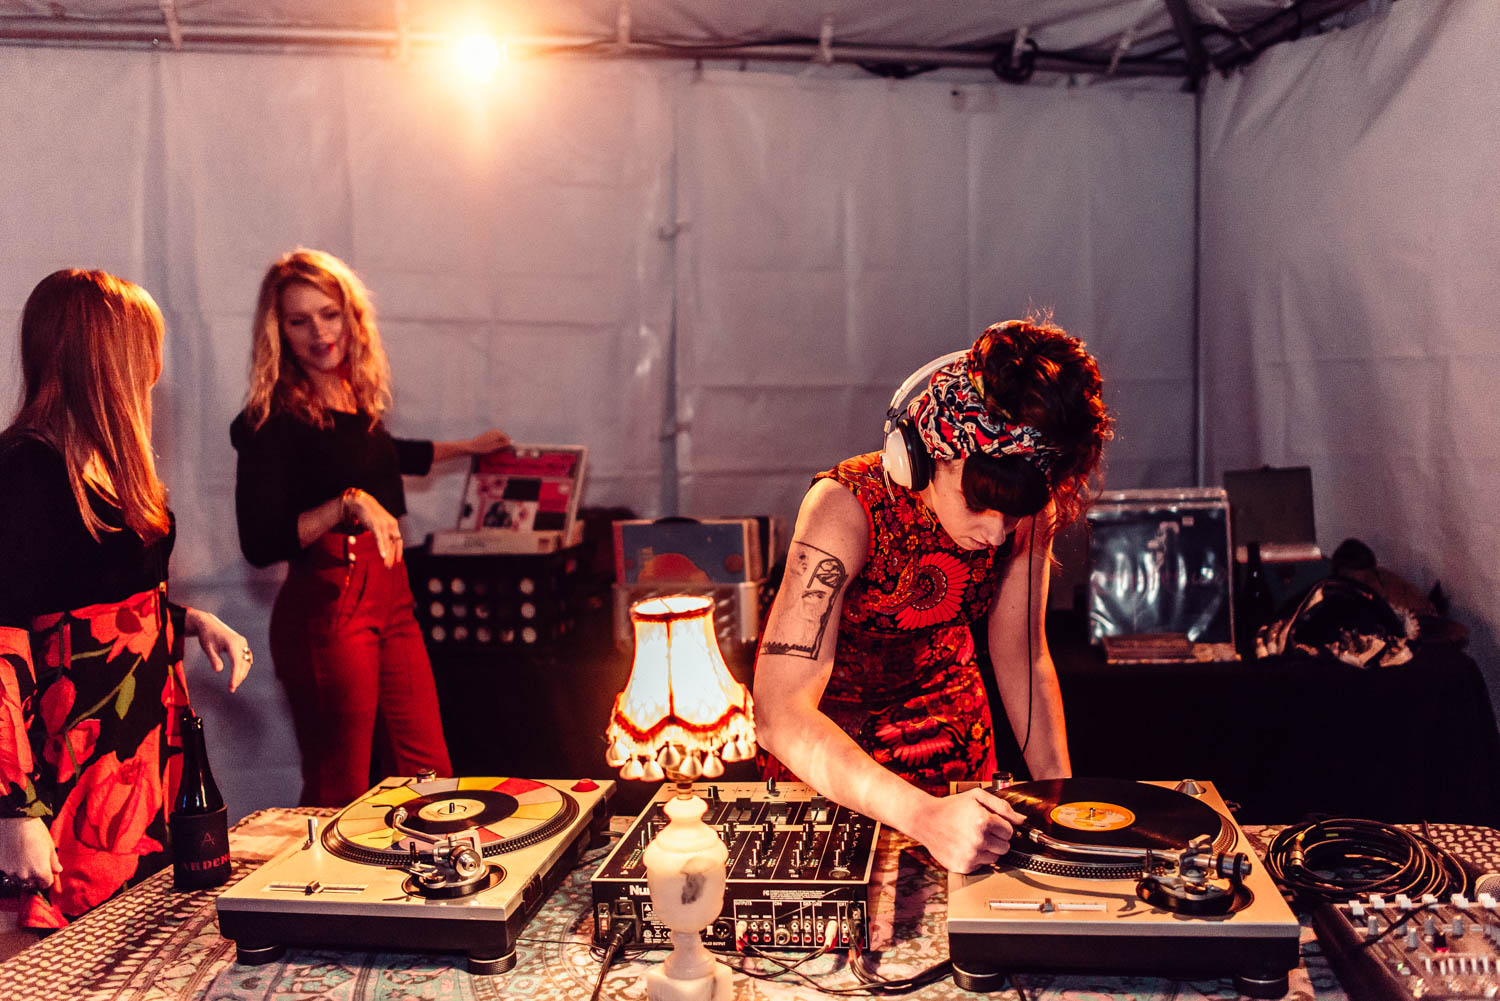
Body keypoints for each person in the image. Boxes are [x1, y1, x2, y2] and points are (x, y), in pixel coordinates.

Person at [753, 317, 1112, 874]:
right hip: (832, 760)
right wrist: (923, 816)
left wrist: (1063, 810)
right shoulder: (844, 507)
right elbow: (778, 712)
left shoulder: (1027, 510)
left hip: (953, 739)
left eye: (1011, 514)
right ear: (924, 459)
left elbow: (1022, 656)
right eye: (978, 504)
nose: (996, 534)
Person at [0, 270, 252, 934]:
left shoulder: (107, 463)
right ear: (102, 355)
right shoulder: (24, 469)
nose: (156, 366)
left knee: (152, 940)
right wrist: (15, 812)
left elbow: (94, 598)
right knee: (78, 951)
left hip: (145, 749)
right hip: (75, 768)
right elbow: (7, 642)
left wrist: (191, 621)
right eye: (145, 347)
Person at [230, 248, 509, 808]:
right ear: (278, 331)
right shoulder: (269, 421)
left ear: (352, 316)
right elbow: (260, 542)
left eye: (329, 314)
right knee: (342, 787)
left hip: (392, 595)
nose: (319, 333)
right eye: (299, 320)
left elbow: (381, 456)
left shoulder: (353, 399)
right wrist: (349, 504)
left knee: (428, 774)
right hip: (330, 603)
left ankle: (430, 867)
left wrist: (468, 448)